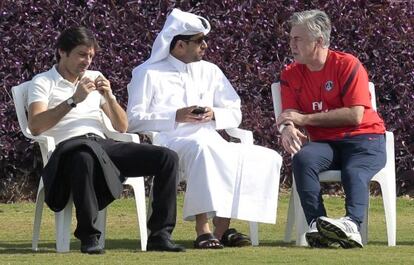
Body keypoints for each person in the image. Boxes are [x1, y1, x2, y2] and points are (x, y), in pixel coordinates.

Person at [127, 9, 282, 249]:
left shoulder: (211, 71)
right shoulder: (147, 73)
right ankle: (203, 229)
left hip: (210, 137)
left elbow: (235, 110)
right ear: (179, 45)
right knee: (204, 150)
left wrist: (215, 114)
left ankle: (221, 229)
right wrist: (174, 116)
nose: (205, 46)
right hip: (170, 142)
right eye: (199, 41)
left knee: (265, 156)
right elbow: (134, 120)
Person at [27, 26, 185, 254]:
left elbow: (122, 126)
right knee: (83, 156)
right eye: (82, 54)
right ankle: (89, 237)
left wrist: (109, 97)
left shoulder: (94, 78)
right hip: (69, 149)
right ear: (62, 51)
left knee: (167, 157)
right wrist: (73, 100)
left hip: (103, 146)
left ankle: (160, 235)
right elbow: (36, 125)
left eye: (91, 56)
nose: (87, 61)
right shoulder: (42, 82)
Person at [277, 10, 387, 248]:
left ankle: (352, 225)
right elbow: (289, 114)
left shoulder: (348, 65)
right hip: (325, 144)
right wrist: (287, 127)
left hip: (365, 139)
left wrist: (303, 120)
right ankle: (318, 226)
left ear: (318, 41)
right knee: (303, 159)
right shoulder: (290, 73)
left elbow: (355, 115)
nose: (291, 44)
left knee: (354, 171)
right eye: (291, 38)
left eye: (298, 39)